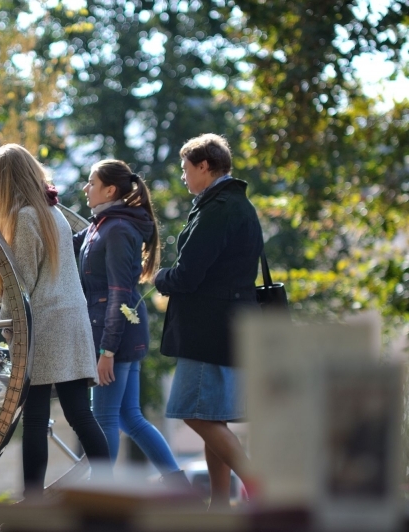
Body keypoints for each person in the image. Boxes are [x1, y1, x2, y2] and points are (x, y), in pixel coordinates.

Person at [0, 144, 110, 496]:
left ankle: (33, 504)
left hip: (45, 327)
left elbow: (17, 284)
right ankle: (106, 492)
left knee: (36, 420)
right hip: (71, 323)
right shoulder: (51, 212)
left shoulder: (25, 217)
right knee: (80, 416)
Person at [154, 133, 262, 509]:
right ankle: (220, 507)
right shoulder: (236, 204)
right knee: (213, 416)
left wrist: (156, 276)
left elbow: (187, 275)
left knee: (192, 413)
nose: (183, 176)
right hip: (228, 325)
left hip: (208, 328)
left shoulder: (218, 209)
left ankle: (257, 483)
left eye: (186, 168)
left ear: (204, 166)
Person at [75, 159, 191, 490]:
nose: (86, 188)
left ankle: (103, 493)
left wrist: (107, 350)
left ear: (109, 189)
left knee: (106, 418)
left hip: (115, 337)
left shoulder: (117, 230)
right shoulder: (102, 225)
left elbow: (119, 293)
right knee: (129, 417)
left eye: (91, 182)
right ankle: (178, 484)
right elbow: (70, 243)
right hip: (121, 333)